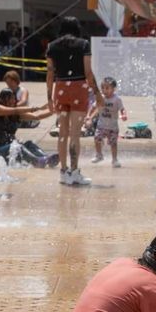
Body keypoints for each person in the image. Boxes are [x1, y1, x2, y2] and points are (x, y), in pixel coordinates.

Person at [46, 16, 103, 186]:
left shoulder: (52, 46)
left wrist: (49, 98)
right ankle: (75, 171)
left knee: (62, 133)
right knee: (75, 134)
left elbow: (50, 74)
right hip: (78, 89)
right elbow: (88, 72)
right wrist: (98, 94)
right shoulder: (83, 44)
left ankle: (63, 172)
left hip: (61, 88)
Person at [0, 89, 56, 166]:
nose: (14, 101)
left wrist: (54, 110)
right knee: (17, 147)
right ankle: (37, 161)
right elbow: (15, 110)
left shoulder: (15, 115)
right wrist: (37, 108)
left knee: (29, 144)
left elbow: (37, 116)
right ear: (4, 99)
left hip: (10, 150)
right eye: (11, 98)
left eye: (14, 98)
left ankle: (46, 159)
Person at [89, 77, 127, 167]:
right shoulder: (101, 97)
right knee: (97, 139)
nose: (104, 90)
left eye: (107, 88)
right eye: (102, 88)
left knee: (113, 144)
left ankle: (114, 159)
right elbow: (93, 107)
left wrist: (124, 115)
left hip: (113, 127)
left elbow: (122, 109)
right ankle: (99, 155)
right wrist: (88, 116)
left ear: (113, 89)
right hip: (101, 125)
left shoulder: (117, 99)